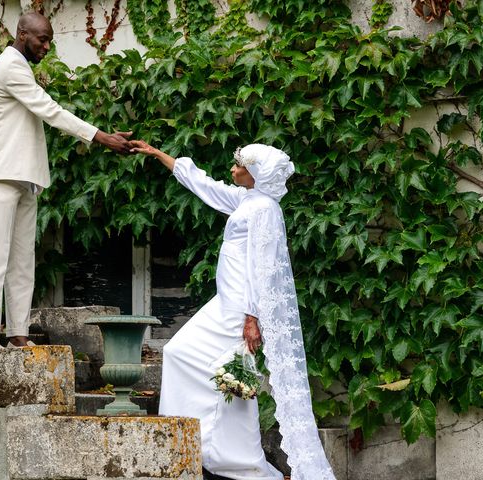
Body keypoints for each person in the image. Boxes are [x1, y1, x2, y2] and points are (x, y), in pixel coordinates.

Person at [129, 140, 336, 480]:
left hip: (239, 308)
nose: (232, 169)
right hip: (226, 302)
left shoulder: (264, 210)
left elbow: (264, 266)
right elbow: (206, 186)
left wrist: (253, 317)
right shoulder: (248, 200)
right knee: (201, 364)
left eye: (239, 165)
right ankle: (206, 447)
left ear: (254, 174)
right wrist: (157, 154)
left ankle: (238, 461)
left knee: (217, 371)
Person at [0, 12, 133, 350]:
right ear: (22, 34)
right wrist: (101, 137)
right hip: (1, 172)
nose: (46, 46)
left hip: (25, 176)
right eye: (41, 39)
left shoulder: (21, 66)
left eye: (49, 41)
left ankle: (17, 334)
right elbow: (50, 110)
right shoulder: (10, 65)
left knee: (22, 260)